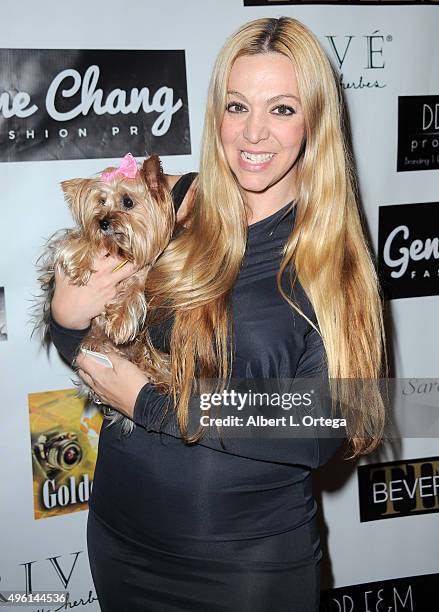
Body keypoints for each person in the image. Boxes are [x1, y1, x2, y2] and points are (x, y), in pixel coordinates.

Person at [48, 16, 386, 612]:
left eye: (281, 108)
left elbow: (319, 426)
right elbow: (85, 331)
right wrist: (66, 316)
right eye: (237, 106)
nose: (254, 132)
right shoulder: (171, 203)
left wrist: (150, 403)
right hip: (121, 541)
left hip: (245, 573)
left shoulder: (334, 256)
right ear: (217, 115)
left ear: (315, 120)